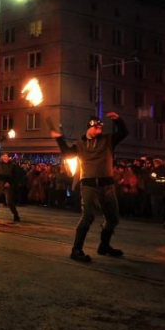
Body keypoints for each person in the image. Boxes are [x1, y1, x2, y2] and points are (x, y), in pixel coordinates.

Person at [51, 112, 128, 262]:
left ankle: (104, 246)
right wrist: (59, 139)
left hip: (107, 185)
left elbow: (124, 132)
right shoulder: (79, 144)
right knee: (87, 217)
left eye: (100, 128)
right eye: (96, 128)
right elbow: (67, 153)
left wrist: (118, 120)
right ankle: (76, 249)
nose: (98, 131)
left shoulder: (108, 140)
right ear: (89, 128)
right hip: (89, 184)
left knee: (113, 218)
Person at [0, 152, 21, 222]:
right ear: (1, 157)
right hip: (0, 183)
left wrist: (9, 182)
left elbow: (15, 176)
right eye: (3, 156)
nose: (5, 157)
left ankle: (16, 215)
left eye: (6, 156)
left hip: (8, 184)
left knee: (9, 201)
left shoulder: (12, 165)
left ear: (8, 157)